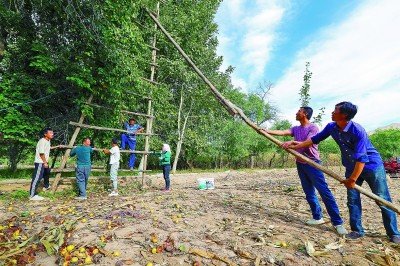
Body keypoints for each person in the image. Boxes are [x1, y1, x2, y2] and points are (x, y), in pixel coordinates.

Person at [289, 102, 400, 243]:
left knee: (382, 199)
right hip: (350, 166)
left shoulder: (358, 130)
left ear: (344, 115)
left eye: (335, 110)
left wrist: (352, 180)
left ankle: (393, 233)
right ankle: (357, 231)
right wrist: (297, 145)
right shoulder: (331, 127)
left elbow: (362, 159)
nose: (332, 112)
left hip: (371, 167)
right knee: (353, 201)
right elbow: (314, 139)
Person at [265, 107, 347, 235]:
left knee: (324, 192)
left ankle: (337, 222)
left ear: (305, 114)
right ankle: (317, 217)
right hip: (300, 163)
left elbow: (308, 142)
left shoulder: (313, 128)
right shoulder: (296, 129)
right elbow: (283, 132)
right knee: (309, 192)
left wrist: (292, 142)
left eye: (299, 111)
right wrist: (266, 131)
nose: (296, 112)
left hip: (312, 163)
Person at [29, 128, 54, 201]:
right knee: (37, 178)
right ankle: (32, 195)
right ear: (45, 134)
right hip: (40, 162)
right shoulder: (42, 141)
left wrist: (57, 146)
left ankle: (46, 186)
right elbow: (41, 153)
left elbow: (48, 148)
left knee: (47, 173)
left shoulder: (48, 141)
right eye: (50, 133)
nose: (52, 134)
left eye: (52, 133)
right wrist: (45, 162)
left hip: (44, 161)